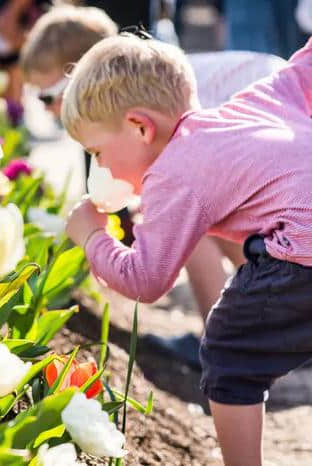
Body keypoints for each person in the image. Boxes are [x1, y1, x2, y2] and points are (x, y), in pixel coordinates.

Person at [63, 34, 312, 466]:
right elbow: (301, 69)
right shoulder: (250, 105)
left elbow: (145, 280)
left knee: (230, 352)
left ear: (141, 127)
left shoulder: (173, 172)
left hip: (301, 251)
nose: (98, 167)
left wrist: (91, 235)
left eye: (97, 152)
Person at [19, 5, 286, 368]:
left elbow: (169, 245)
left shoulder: (153, 114)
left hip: (276, 125)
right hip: (273, 122)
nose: (47, 110)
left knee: (193, 222)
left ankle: (223, 341)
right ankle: (268, 322)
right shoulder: (148, 93)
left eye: (47, 96)